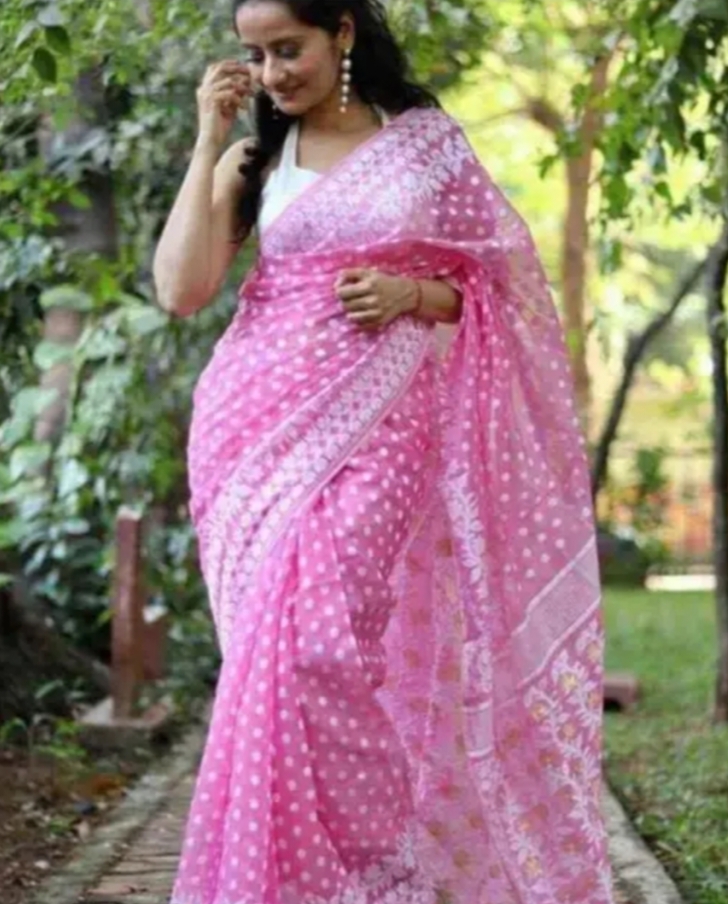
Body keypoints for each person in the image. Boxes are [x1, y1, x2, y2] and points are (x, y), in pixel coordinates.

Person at [153, 1, 615, 903]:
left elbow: (504, 290)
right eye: (257, 55)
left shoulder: (425, 148)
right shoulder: (254, 159)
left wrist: (413, 293)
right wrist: (206, 143)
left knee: (321, 654)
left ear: (343, 32)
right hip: (249, 435)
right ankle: (302, 880)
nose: (273, 72)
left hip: (385, 426)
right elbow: (182, 289)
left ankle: (371, 862)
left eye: (289, 48)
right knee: (268, 660)